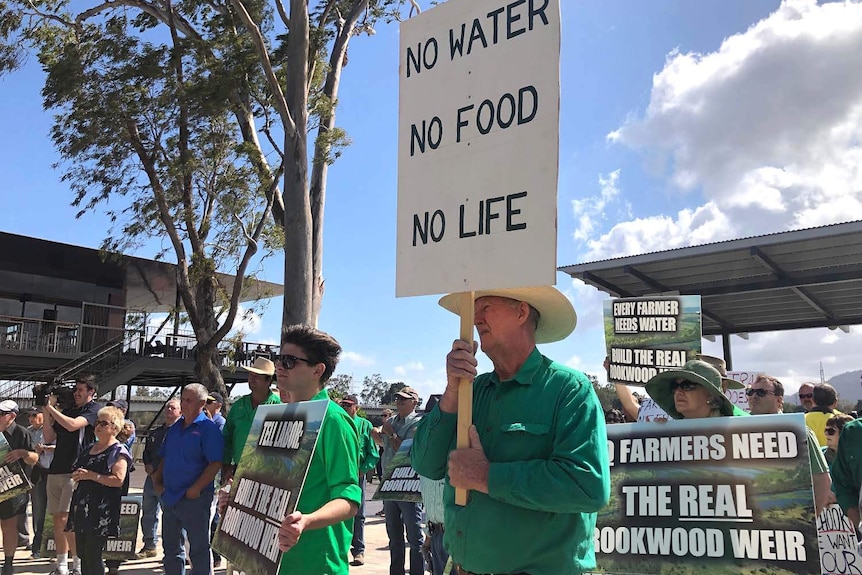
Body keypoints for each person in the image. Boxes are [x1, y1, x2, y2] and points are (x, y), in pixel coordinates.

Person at [412, 286, 611, 575]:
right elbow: (426, 464)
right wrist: (453, 390)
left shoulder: (569, 390)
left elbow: (587, 486)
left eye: (485, 307)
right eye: (473, 310)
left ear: (521, 311)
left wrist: (485, 476)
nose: (475, 320)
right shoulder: (471, 391)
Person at [274, 324, 362, 575]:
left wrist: (307, 521)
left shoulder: (333, 420)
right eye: (279, 359)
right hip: (277, 560)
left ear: (318, 370)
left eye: (290, 361)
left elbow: (349, 498)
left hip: (315, 563)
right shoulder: (279, 416)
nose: (280, 366)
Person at [152, 384, 223, 575]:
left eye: (188, 400)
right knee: (171, 549)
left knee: (199, 549)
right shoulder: (175, 428)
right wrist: (157, 482)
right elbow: (165, 457)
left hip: (194, 499)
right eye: (182, 399)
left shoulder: (208, 429)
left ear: (202, 403)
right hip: (170, 496)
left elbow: (215, 463)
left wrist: (196, 489)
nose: (183, 403)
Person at [743, 374, 831, 515]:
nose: (753, 396)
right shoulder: (738, 430)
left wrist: (809, 519)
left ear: (779, 400)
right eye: (750, 392)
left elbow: (822, 479)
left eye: (761, 392)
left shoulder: (797, 431)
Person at [43, 374, 101, 575]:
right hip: (56, 469)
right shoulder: (67, 411)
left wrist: (51, 409)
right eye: (75, 389)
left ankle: (77, 565)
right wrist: (45, 409)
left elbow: (73, 425)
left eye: (81, 390)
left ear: (91, 392)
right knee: (57, 520)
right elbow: (49, 436)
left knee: (68, 521)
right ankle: (61, 565)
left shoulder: (94, 409)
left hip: (74, 471)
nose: (76, 393)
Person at [65, 406, 132, 575]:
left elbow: (118, 480)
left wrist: (92, 476)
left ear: (115, 428)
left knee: (93, 554)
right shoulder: (90, 448)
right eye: (97, 422)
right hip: (82, 508)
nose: (98, 426)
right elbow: (78, 467)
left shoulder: (118, 451)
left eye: (104, 423)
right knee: (82, 553)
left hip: (101, 512)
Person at [372, 387, 424, 575]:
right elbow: (383, 445)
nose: (399, 401)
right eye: (397, 398)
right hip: (389, 483)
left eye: (404, 399)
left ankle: (417, 571)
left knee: (414, 536)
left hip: (407, 484)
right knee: (394, 535)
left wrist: (391, 433)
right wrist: (377, 435)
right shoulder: (392, 420)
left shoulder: (419, 423)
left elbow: (406, 450)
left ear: (415, 402)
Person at [222, 357, 280, 483]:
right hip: (239, 470)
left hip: (268, 474)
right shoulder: (238, 405)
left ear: (269, 380)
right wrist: (226, 466)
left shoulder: (280, 406)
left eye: (257, 376)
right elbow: (227, 437)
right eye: (250, 375)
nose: (252, 379)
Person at [339, 394, 379, 567]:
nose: (345, 408)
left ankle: (358, 551)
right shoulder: (337, 422)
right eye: (343, 405)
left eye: (348, 406)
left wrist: (363, 470)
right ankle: (341, 550)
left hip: (357, 476)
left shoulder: (365, 425)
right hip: (339, 475)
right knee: (338, 513)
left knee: (359, 514)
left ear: (356, 408)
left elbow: (373, 453)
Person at [138, 398, 181, 558]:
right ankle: (149, 545)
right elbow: (146, 451)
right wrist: (148, 465)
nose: (169, 410)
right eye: (167, 407)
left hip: (168, 480)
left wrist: (158, 471)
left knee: (169, 515)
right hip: (150, 479)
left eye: (173, 408)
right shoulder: (156, 432)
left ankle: (172, 551)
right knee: (148, 512)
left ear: (180, 411)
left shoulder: (181, 432)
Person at [0, 401, 37, 575]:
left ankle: (8, 562)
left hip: (12, 487)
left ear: (12, 416)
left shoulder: (22, 433)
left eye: (2, 413)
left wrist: (23, 453)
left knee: (9, 525)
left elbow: (35, 458)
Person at [27, 407, 53, 560]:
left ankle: (52, 547)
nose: (31, 418)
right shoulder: (29, 432)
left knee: (54, 512)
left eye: (34, 415)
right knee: (38, 510)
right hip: (38, 472)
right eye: (29, 416)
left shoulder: (54, 429)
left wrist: (48, 448)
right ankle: (37, 547)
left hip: (54, 471)